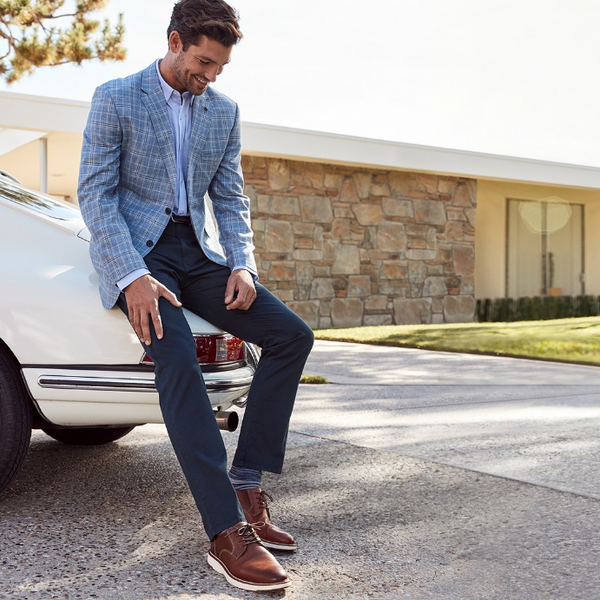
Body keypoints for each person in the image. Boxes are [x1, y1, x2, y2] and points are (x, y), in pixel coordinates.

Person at [77, 0, 314, 591]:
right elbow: (96, 195)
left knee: (292, 336)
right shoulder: (115, 97)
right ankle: (226, 531)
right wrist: (130, 275)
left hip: (199, 256)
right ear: (175, 41)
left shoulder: (223, 111)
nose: (209, 77)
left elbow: (231, 198)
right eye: (202, 63)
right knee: (178, 361)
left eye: (219, 69)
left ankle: (248, 481)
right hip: (142, 256)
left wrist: (243, 265)